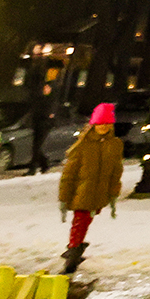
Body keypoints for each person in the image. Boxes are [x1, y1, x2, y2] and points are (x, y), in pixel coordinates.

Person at [56, 103, 123, 275]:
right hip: (82, 191)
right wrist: (64, 197)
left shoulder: (114, 144)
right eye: (101, 123)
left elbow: (116, 170)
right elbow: (68, 174)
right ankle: (73, 252)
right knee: (80, 220)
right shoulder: (83, 146)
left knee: (85, 221)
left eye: (107, 123)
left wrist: (113, 193)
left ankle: (75, 248)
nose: (104, 127)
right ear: (94, 124)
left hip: (99, 193)